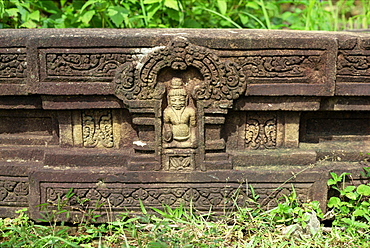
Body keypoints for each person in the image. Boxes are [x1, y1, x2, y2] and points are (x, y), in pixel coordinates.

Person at [163, 77, 196, 148]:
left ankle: (176, 145)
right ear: (169, 100)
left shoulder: (190, 111)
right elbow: (166, 123)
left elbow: (192, 126)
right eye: (174, 100)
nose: (177, 103)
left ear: (186, 99)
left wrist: (193, 138)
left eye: (181, 100)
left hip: (187, 138)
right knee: (165, 145)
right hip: (173, 139)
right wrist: (168, 130)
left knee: (193, 145)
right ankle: (174, 144)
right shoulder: (168, 111)